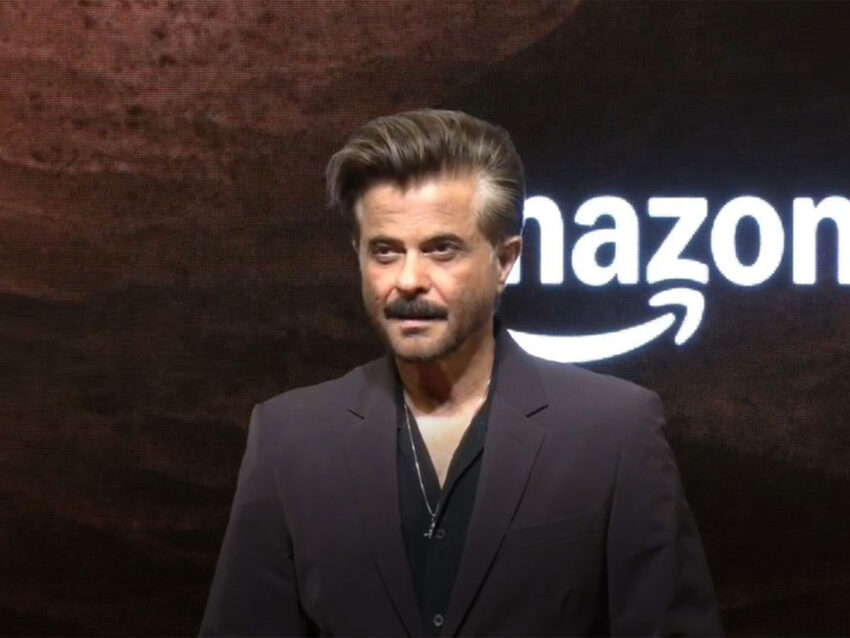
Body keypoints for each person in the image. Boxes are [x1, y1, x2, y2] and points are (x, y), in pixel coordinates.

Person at [200, 109, 723, 636]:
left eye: (441, 250)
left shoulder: (614, 430)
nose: (408, 279)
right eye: (385, 252)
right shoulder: (288, 438)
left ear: (505, 260)